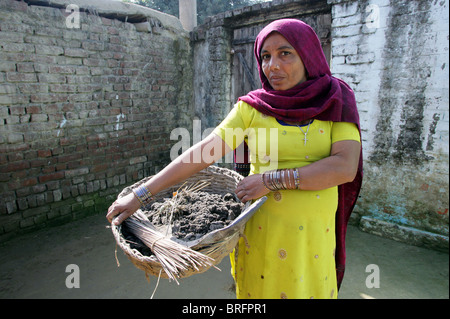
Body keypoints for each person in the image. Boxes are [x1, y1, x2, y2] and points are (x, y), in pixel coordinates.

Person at [107, 18, 362, 299]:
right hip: (262, 227)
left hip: (313, 233)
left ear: (308, 55)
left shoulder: (336, 98)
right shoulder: (253, 108)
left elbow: (344, 167)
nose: (272, 65)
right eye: (265, 56)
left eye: (285, 53)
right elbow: (203, 153)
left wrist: (272, 180)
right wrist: (140, 195)